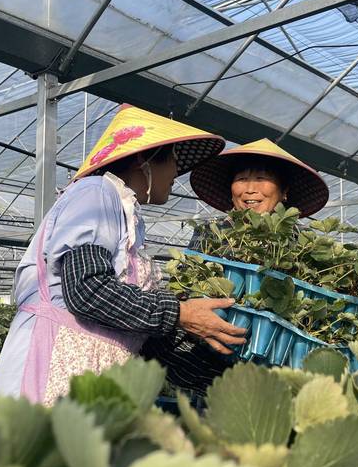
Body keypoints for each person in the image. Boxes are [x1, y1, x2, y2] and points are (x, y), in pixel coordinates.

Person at [0, 104, 247, 405]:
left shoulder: (127, 218)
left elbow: (143, 330)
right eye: (174, 160)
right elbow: (87, 289)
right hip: (51, 371)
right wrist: (180, 313)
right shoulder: (96, 193)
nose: (176, 173)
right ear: (144, 159)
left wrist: (232, 382)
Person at [140, 139, 330, 396]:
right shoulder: (210, 234)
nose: (250, 189)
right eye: (241, 179)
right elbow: (186, 295)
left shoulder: (304, 244)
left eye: (261, 178)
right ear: (231, 191)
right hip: (210, 362)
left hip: (281, 369)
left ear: (284, 191)